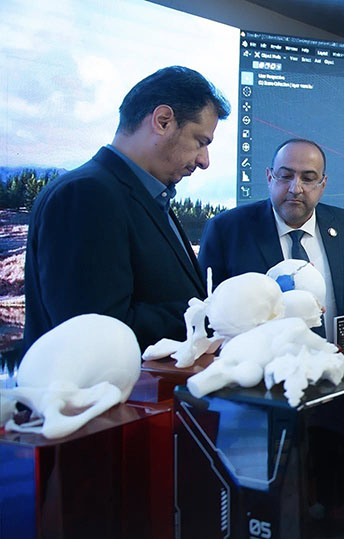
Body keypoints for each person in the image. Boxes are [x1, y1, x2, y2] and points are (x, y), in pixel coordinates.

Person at [23, 66, 229, 353]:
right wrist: (214, 315)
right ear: (163, 121)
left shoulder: (145, 196)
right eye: (200, 142)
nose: (205, 161)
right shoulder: (86, 195)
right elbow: (96, 330)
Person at [199, 138, 344, 337]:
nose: (295, 188)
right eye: (285, 176)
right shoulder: (227, 230)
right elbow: (208, 308)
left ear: (323, 184)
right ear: (269, 178)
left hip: (336, 355)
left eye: (308, 179)